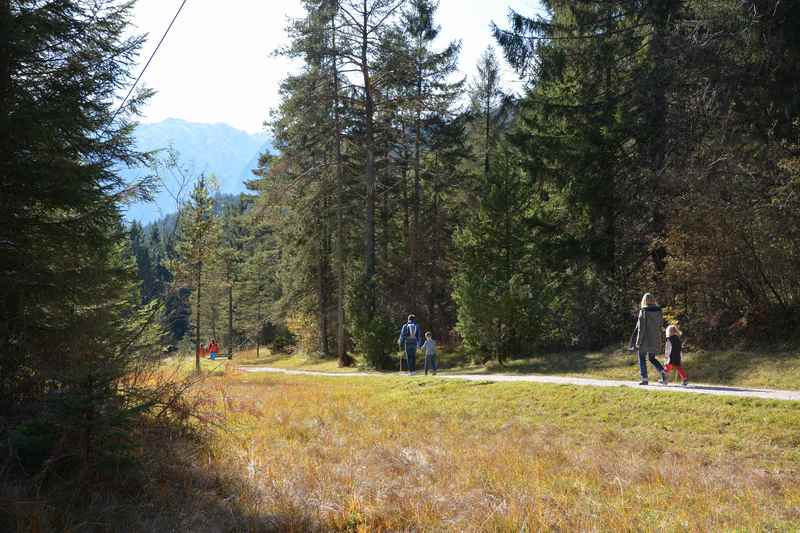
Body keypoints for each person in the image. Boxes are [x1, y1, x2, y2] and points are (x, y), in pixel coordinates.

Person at [628, 293, 667, 385]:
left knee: (641, 357)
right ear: (653, 300)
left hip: (644, 340)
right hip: (656, 338)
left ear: (644, 301)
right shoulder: (659, 311)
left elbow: (641, 329)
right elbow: (660, 326)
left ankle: (644, 378)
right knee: (652, 358)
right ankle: (663, 372)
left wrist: (637, 343)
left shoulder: (644, 311)